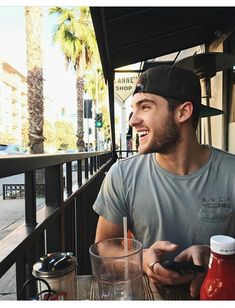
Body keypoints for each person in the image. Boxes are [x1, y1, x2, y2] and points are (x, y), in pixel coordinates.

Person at [92, 65, 235, 298]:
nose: (133, 120)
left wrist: (217, 257)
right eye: (133, 109)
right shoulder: (122, 175)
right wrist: (141, 259)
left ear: (183, 112)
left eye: (145, 107)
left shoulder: (231, 172)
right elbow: (104, 246)